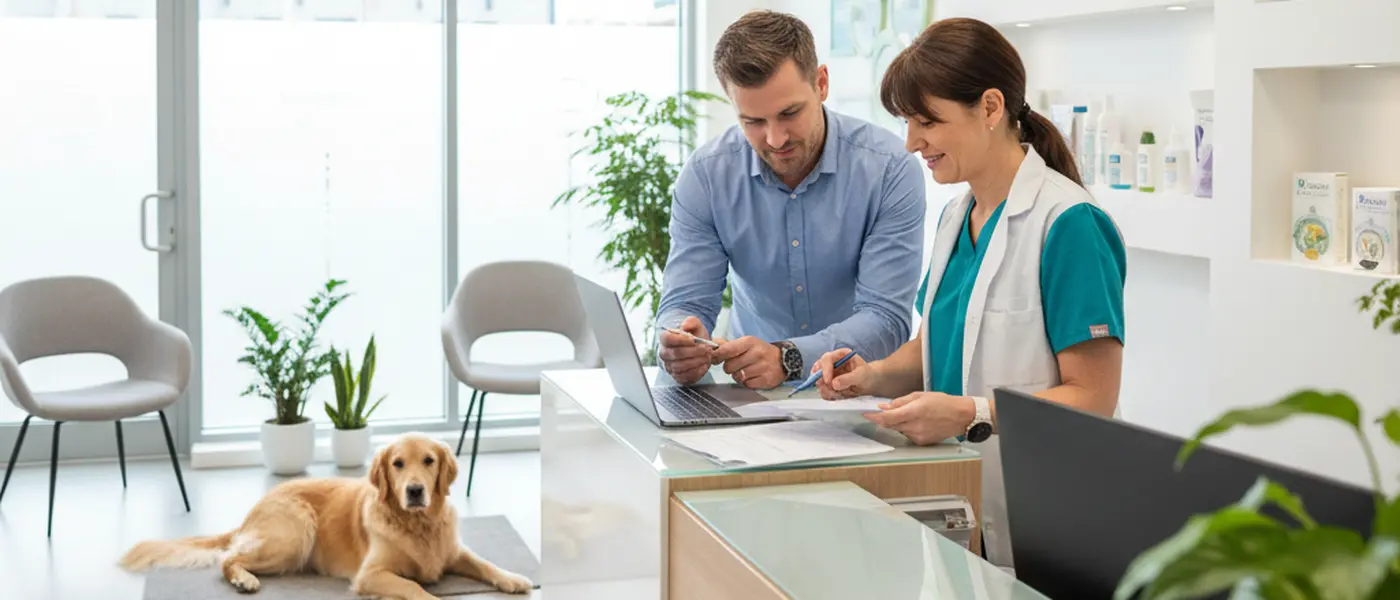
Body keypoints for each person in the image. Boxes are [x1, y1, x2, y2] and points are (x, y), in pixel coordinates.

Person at [811, 17, 1127, 568]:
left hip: (1052, 509)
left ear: (989, 107)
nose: (911, 143)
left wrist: (966, 412)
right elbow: (939, 342)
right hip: (965, 498)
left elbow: (1093, 396)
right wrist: (874, 374)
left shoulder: (1068, 223)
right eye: (907, 122)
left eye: (926, 121)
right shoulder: (957, 217)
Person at [654, 10, 927, 390]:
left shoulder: (890, 169)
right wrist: (677, 341)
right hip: (752, 397)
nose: (776, 138)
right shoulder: (705, 176)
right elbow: (685, 302)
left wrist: (787, 356)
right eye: (753, 121)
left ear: (821, 83)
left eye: (790, 113)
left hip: (861, 393)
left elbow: (886, 320)